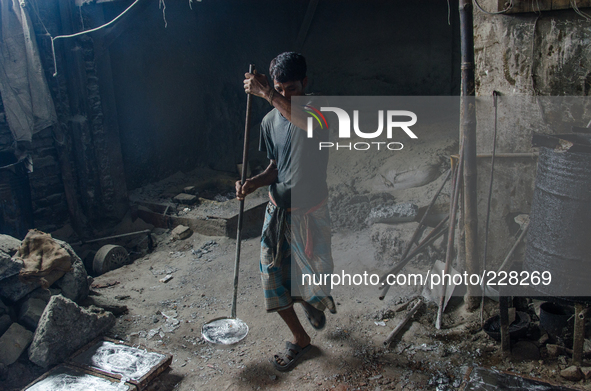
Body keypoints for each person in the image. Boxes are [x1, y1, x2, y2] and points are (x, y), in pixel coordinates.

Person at [237, 52, 336, 371]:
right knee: (271, 277)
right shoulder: (269, 121)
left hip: (311, 212)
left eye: (291, 88)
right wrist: (253, 182)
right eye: (280, 87)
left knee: (317, 278)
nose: (284, 94)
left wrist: (268, 93)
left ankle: (311, 299)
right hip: (278, 210)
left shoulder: (320, 112)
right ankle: (300, 339)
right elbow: (275, 168)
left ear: (305, 84)